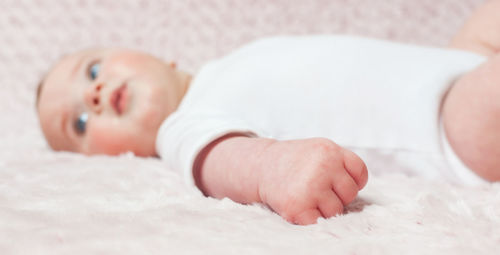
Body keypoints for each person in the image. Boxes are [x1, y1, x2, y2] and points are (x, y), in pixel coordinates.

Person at [36, 0, 500, 225]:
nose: (92, 94)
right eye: (78, 124)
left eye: (91, 68)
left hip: (453, 65)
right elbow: (217, 159)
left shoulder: (227, 64)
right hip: (447, 130)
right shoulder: (183, 127)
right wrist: (273, 165)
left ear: (161, 58)